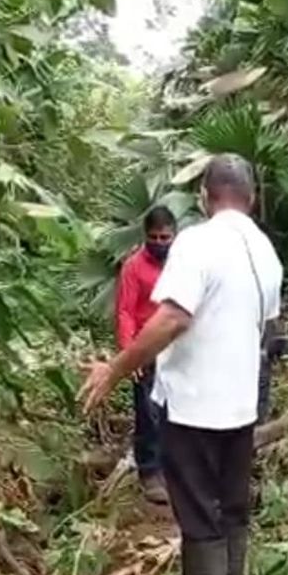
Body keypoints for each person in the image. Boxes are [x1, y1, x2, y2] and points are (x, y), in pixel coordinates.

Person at [81, 154, 283, 575]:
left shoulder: (197, 242)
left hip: (195, 403)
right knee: (232, 502)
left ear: (204, 196)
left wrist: (115, 369)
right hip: (241, 403)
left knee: (194, 504)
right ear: (252, 198)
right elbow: (269, 328)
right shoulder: (266, 250)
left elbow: (173, 318)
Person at [116, 206, 176, 505]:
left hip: (176, 347)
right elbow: (126, 311)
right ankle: (150, 471)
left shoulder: (183, 263)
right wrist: (130, 352)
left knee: (176, 412)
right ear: (145, 236)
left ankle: (175, 471)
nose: (159, 243)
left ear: (174, 235)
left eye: (165, 237)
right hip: (146, 347)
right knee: (147, 411)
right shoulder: (134, 266)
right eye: (154, 237)